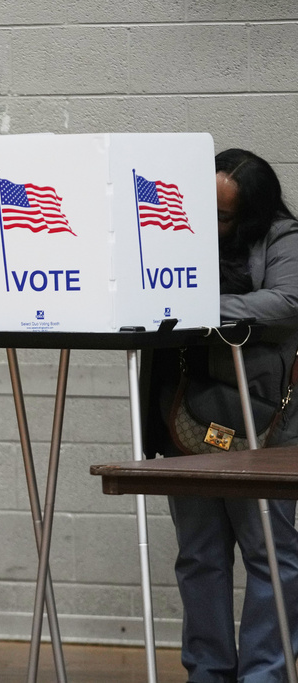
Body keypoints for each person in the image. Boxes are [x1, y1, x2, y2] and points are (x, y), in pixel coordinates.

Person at [143, 148, 298, 682]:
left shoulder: (282, 237)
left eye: (223, 217)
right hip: (187, 411)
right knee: (199, 556)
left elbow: (290, 301)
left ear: (251, 216)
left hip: (264, 419)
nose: (208, 225)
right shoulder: (172, 227)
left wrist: (199, 304)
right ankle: (207, 672)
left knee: (270, 556)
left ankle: (264, 674)